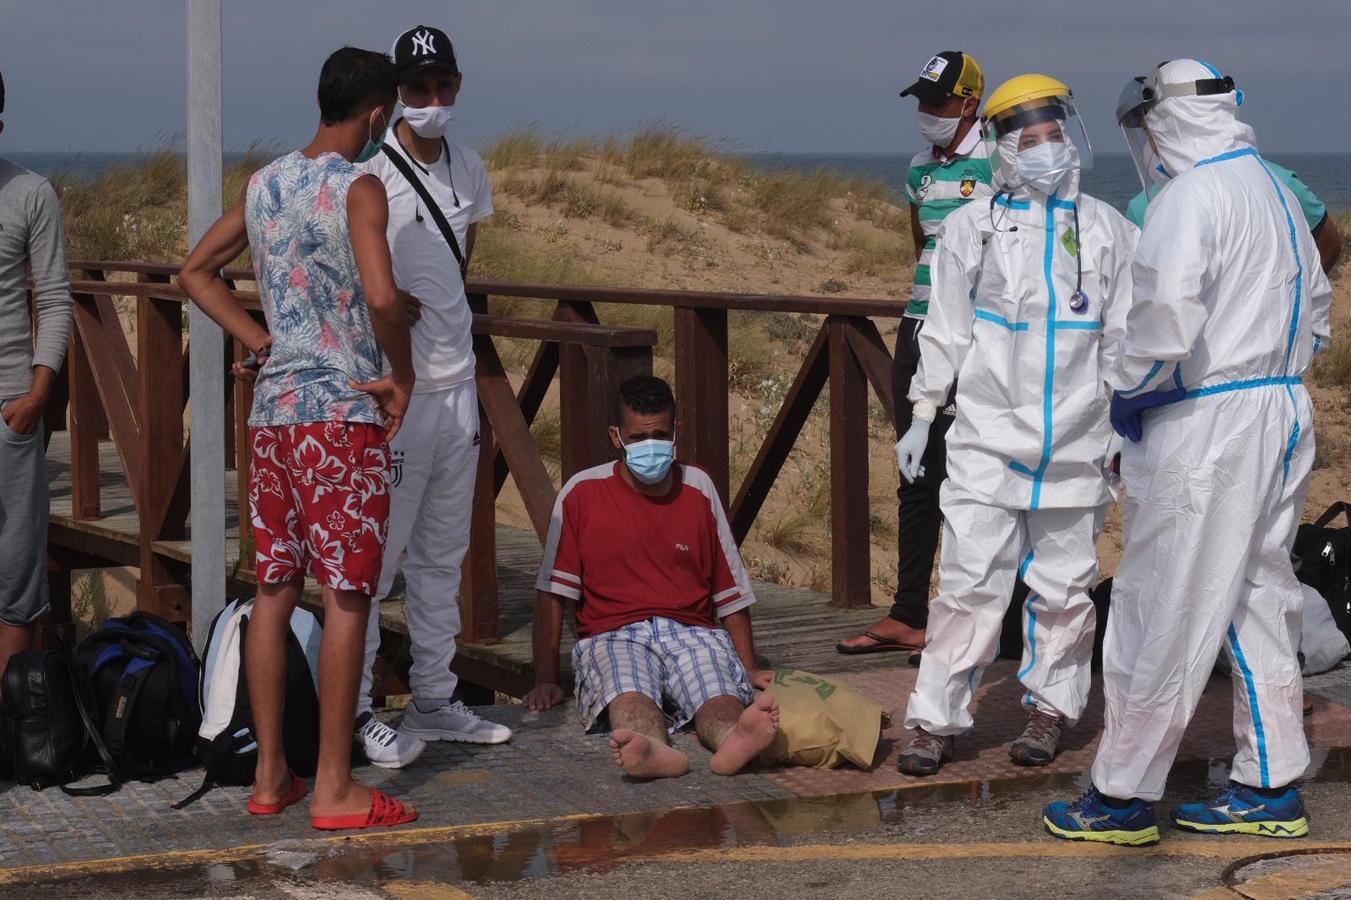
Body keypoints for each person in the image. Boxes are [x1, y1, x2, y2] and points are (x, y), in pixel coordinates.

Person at [1044, 59, 1334, 846]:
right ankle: (1268, 782)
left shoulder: (1187, 196)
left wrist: (1129, 393)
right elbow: (1316, 305)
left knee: (1157, 606)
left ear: (1163, 120)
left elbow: (1164, 320)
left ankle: (1120, 796)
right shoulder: (1273, 188)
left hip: (1203, 423)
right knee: (1256, 598)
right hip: (1278, 409)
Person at [180, 47, 419, 831]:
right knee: (348, 596)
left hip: (274, 419)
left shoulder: (265, 185)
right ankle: (336, 790)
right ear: (376, 113)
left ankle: (271, 775)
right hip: (341, 416)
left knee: (275, 593)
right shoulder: (361, 184)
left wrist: (260, 342)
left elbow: (194, 273)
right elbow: (381, 294)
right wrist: (401, 370)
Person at [893, 75, 1137, 776]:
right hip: (985, 443)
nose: (1044, 150)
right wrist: (920, 413)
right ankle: (934, 723)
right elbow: (944, 331)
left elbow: (1124, 337)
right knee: (969, 587)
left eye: (1054, 134)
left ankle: (1050, 710)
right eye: (1027, 140)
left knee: (1064, 590)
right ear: (1001, 149)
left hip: (1077, 442)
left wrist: (1122, 420)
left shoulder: (1107, 229)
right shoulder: (971, 228)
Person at [352, 24, 510, 769]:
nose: (432, 101)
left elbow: (460, 264)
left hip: (455, 388)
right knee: (376, 559)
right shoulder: (369, 172)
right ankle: (354, 710)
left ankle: (435, 698)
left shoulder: (470, 168)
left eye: (442, 86)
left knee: (444, 554)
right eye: (418, 89)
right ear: (396, 93)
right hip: (397, 393)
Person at [523, 376, 780, 780]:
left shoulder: (698, 486)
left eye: (660, 435)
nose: (651, 446)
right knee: (628, 691)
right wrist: (545, 679)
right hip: (612, 633)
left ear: (676, 432)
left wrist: (746, 668)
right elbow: (553, 592)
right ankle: (653, 749)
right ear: (617, 436)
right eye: (638, 438)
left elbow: (730, 592)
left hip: (691, 630)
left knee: (717, 690)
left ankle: (735, 737)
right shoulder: (581, 493)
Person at [837, 50, 996, 659]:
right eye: (922, 102)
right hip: (918, 327)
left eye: (937, 102)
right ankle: (909, 612)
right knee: (916, 475)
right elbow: (922, 241)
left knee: (971, 480)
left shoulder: (999, 159)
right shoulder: (919, 170)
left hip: (976, 336)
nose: (927, 113)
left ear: (968, 103)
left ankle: (972, 619)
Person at [0, 68, 74, 686]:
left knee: (18, 574)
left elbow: (55, 298)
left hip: (10, 411)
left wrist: (38, 394)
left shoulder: (31, 192)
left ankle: (12, 731)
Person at [1117, 77, 1343, 275]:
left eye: (1156, 128)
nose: (1152, 141)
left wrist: (1299, 298)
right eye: (1149, 131)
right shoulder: (1142, 208)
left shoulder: (1279, 182)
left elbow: (1328, 240)